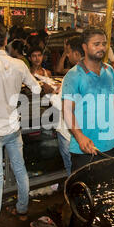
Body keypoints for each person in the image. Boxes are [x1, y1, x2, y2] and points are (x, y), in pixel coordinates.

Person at [0, 22, 54, 227]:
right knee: (20, 169)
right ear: (6, 41)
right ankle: (22, 208)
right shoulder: (19, 64)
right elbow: (35, 88)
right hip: (13, 128)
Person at [62, 27, 114, 172]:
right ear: (85, 47)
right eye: (96, 44)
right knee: (83, 192)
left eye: (103, 44)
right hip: (84, 148)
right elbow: (67, 111)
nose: (101, 48)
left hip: (109, 145)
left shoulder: (109, 70)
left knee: (106, 190)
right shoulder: (73, 75)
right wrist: (79, 137)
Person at [49, 36, 84, 177]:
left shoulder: (73, 73)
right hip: (84, 130)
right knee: (82, 168)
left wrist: (51, 95)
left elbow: (63, 106)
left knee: (72, 169)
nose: (67, 55)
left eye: (68, 52)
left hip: (69, 132)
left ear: (76, 53)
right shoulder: (95, 70)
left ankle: (74, 195)